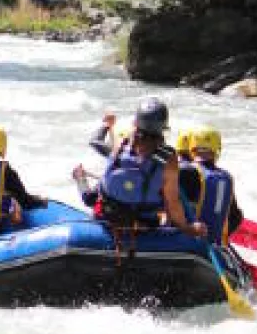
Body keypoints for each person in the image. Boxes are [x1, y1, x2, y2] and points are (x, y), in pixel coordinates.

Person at [87, 97, 206, 238]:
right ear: (163, 128)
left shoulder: (119, 146)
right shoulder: (168, 158)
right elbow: (173, 203)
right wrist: (188, 228)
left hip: (107, 219)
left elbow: (95, 141)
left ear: (135, 123)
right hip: (144, 225)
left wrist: (107, 125)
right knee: (176, 192)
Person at [178, 125, 243, 245]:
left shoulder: (184, 171)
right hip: (214, 244)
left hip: (185, 242)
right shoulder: (226, 177)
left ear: (192, 147)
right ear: (216, 149)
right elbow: (236, 217)